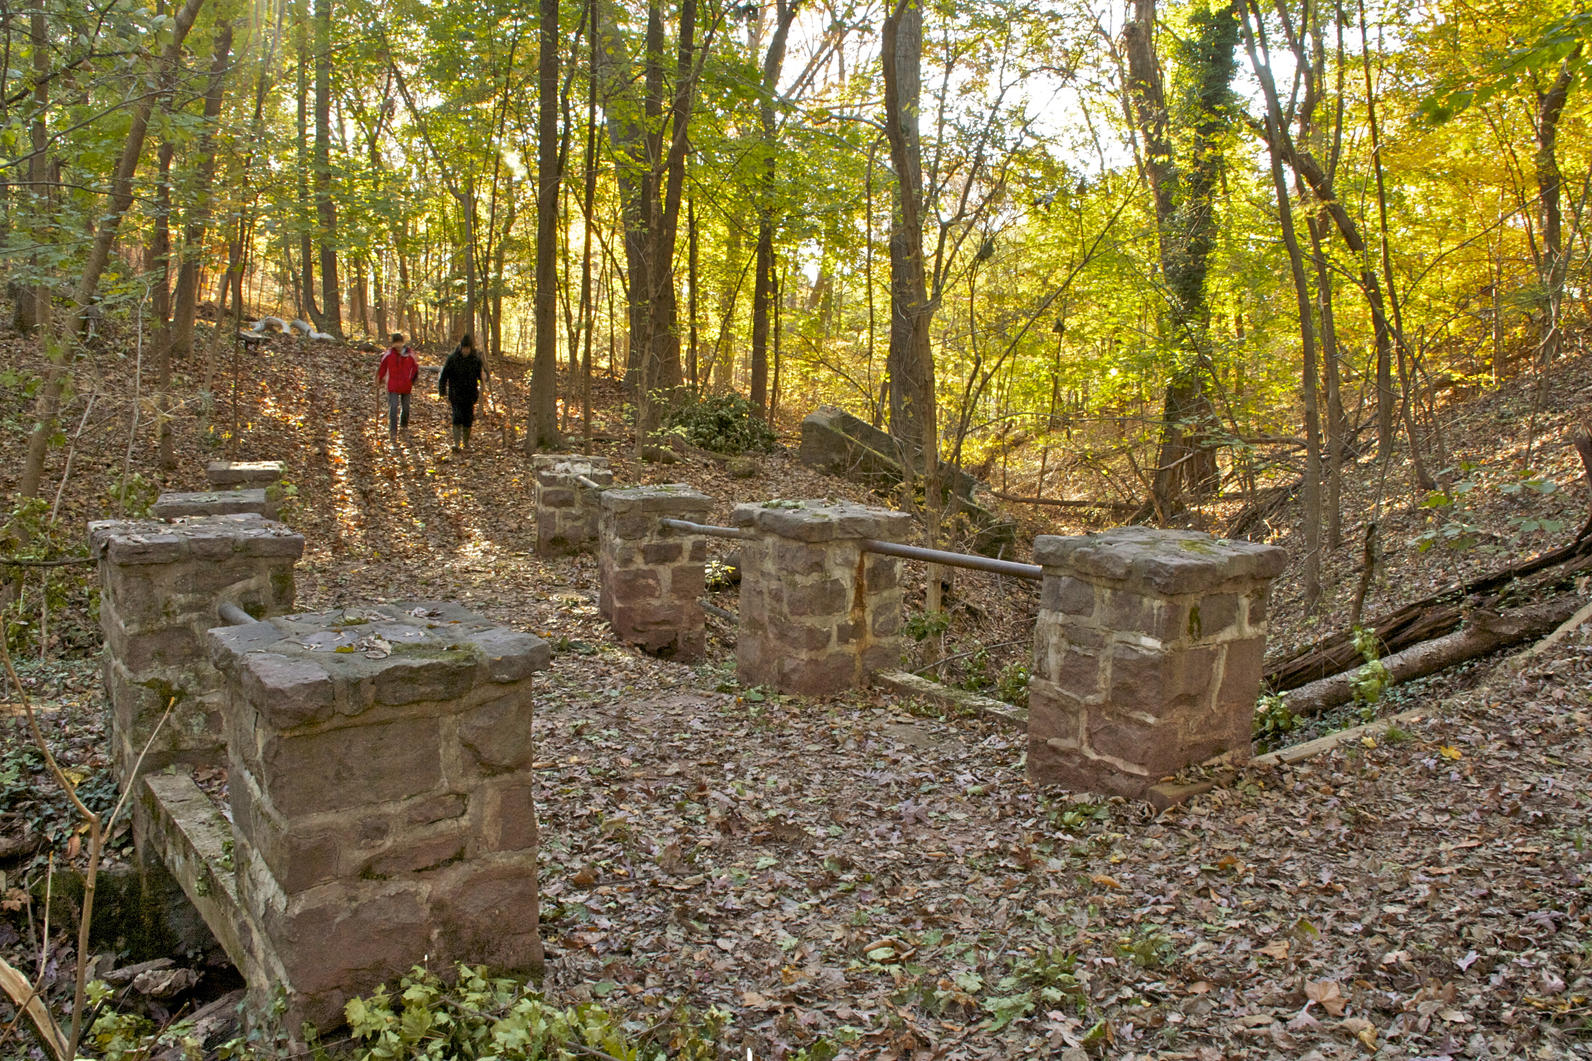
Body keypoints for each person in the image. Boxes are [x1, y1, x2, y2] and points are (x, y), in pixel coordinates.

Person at [438, 333, 487, 452]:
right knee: (457, 416)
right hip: (455, 393)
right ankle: (456, 443)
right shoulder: (452, 358)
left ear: (471, 348)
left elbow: (483, 375)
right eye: (464, 348)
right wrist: (442, 390)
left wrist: (485, 376)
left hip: (470, 394)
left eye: (468, 348)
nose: (465, 351)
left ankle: (466, 442)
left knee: (468, 419)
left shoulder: (476, 360)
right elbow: (444, 375)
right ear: (460, 347)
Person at [376, 333, 420, 444]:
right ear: (393, 344)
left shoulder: (410, 354)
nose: (398, 345)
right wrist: (379, 378)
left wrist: (413, 379)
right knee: (393, 407)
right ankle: (393, 430)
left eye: (400, 343)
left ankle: (404, 426)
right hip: (393, 385)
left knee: (406, 408)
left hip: (406, 385)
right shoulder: (389, 355)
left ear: (403, 342)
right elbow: (382, 367)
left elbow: (415, 367)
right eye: (396, 343)